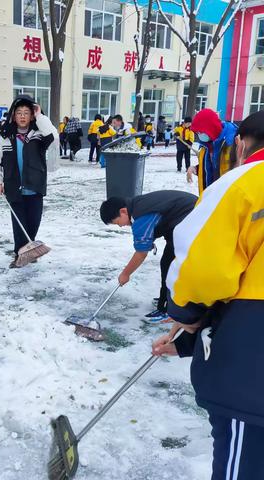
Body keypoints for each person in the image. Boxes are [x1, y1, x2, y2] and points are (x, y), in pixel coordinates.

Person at [152, 110, 264, 479]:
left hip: (251, 373)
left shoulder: (246, 183)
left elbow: (204, 269)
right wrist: (186, 344)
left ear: (242, 142)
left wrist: (185, 315)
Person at [100, 190, 197, 322]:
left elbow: (141, 253)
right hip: (184, 221)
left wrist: (125, 274)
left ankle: (169, 309)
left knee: (170, 266)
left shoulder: (141, 215)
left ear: (123, 211)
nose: (121, 226)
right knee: (168, 264)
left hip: (191, 222)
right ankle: (169, 299)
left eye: (118, 222)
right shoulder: (137, 206)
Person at [0, 95, 58, 268]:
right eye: (19, 112)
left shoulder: (39, 135)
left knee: (33, 223)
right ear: (13, 116)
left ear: (32, 116)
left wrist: (40, 115)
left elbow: (54, 137)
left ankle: (29, 251)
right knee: (19, 225)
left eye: (26, 113)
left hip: (35, 187)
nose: (22, 116)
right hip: (13, 188)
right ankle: (18, 255)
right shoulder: (5, 138)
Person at [188, 108, 237, 193]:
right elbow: (211, 167)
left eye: (201, 131)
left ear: (210, 128)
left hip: (227, 196)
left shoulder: (232, 142)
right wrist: (195, 168)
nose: (199, 135)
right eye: (197, 132)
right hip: (211, 196)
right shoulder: (205, 145)